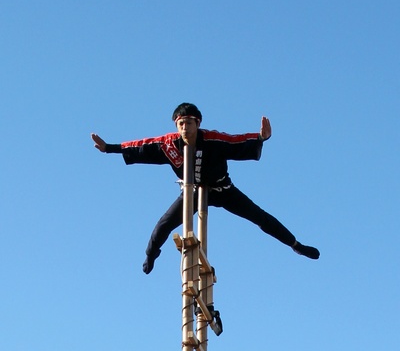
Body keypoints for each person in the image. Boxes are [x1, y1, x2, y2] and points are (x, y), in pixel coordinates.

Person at [91, 103, 320, 274]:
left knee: (258, 216)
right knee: (163, 224)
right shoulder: (168, 144)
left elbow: (237, 141)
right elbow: (141, 145)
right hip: (191, 191)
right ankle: (151, 255)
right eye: (180, 124)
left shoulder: (213, 139)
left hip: (222, 189)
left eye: (189, 123)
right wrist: (109, 148)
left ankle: (296, 245)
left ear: (197, 123)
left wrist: (261, 137)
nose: (184, 128)